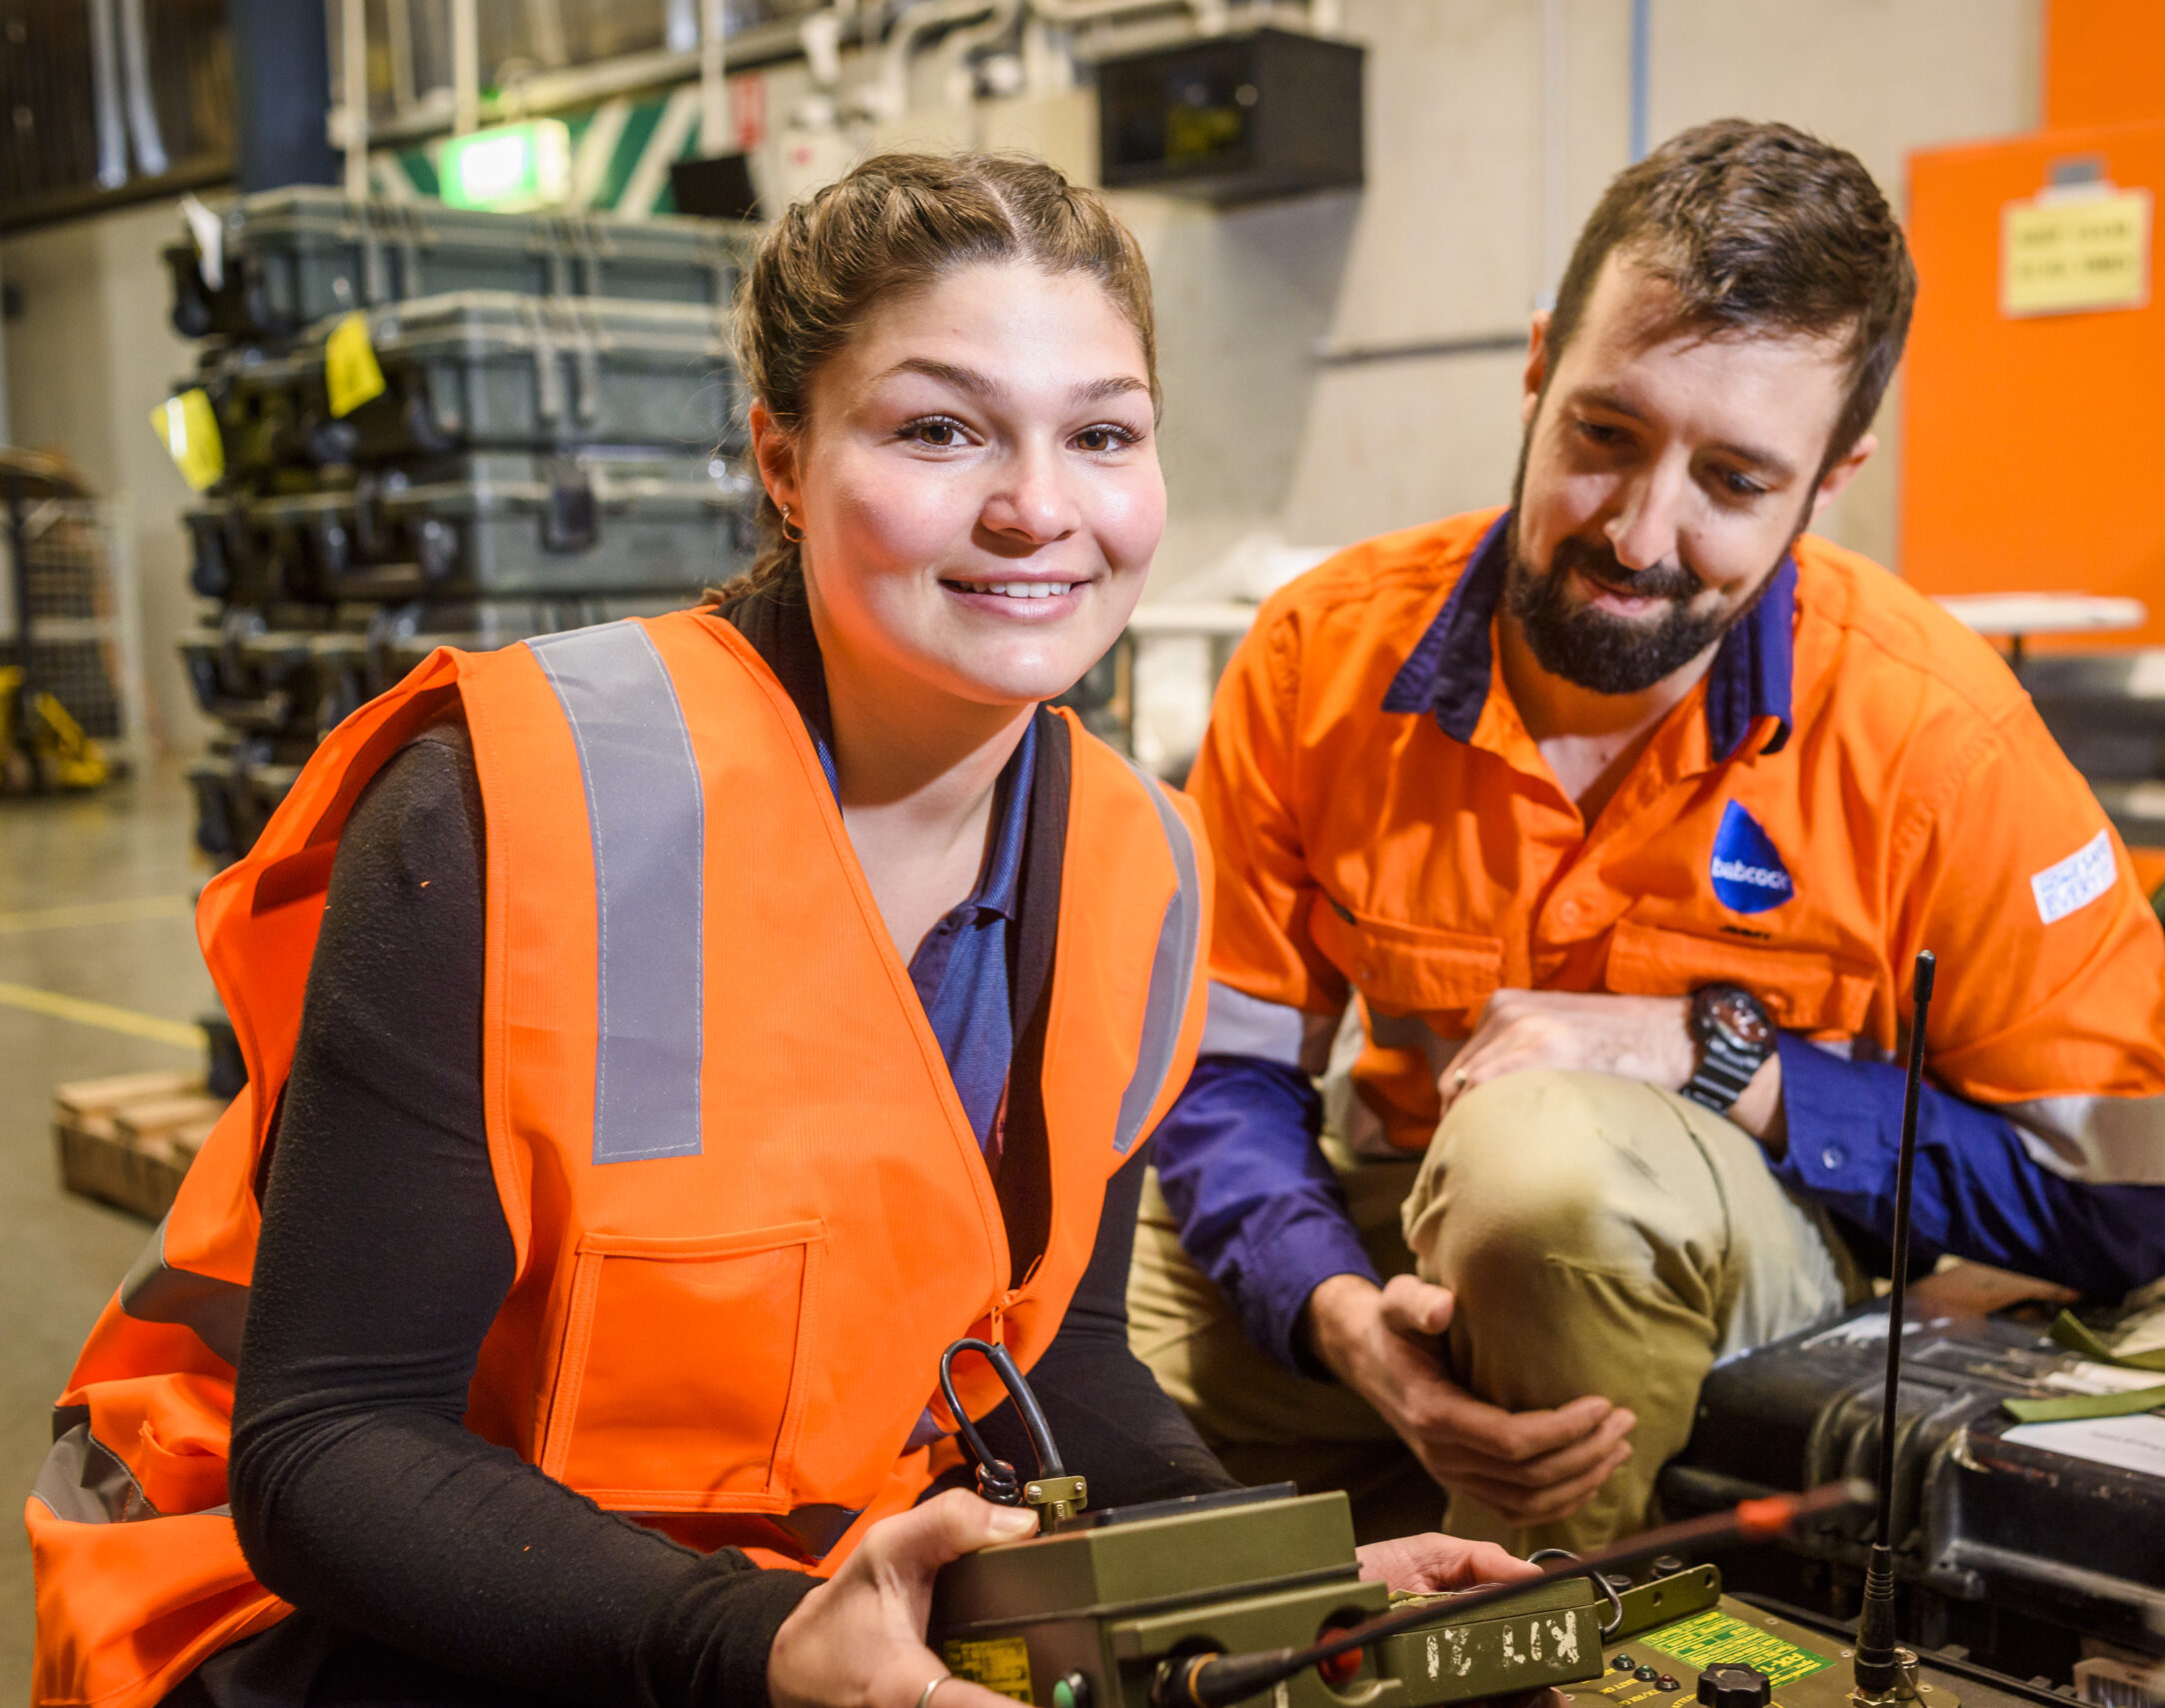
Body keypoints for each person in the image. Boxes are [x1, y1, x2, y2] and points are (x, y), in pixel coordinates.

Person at [28, 153, 1526, 1708]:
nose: (1037, 507)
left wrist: (1274, 1582)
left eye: (1101, 434)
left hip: (773, 1582)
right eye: (939, 428)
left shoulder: (1135, 863)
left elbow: (1055, 1362)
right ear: (784, 460)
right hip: (332, 1592)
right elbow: (327, 1445)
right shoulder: (505, 804)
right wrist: (747, 1643)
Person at [1129, 120, 2165, 1555]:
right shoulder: (1323, 655)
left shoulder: (1942, 741)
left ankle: (1537, 1621)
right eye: (1603, 435)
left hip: (1749, 1265)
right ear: (1534, 371)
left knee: (1540, 1177)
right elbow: (1226, 1072)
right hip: (1406, 1242)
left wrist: (1717, 1055)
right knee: (1057, 1333)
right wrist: (1335, 1315)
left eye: (1735, 483)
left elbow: (2112, 1203)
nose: (1639, 531)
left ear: (1831, 478)